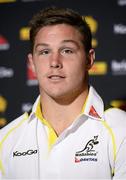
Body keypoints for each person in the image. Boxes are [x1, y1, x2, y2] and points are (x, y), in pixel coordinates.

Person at [0, 6, 126, 180]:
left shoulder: (121, 130)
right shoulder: (5, 140)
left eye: (67, 50)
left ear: (89, 59)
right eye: (44, 52)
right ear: (32, 63)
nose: (54, 62)